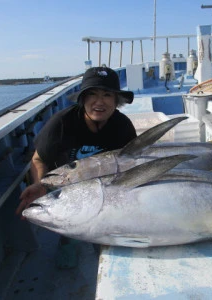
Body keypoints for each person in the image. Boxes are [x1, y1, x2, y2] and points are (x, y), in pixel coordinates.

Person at [16, 66, 137, 268]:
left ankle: (103, 253)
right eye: (92, 95)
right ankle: (67, 251)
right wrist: (41, 185)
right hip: (66, 188)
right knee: (70, 240)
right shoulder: (61, 124)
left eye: (107, 95)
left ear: (117, 101)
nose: (99, 102)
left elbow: (132, 162)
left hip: (104, 187)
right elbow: (38, 159)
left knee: (106, 233)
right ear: (82, 100)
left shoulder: (123, 126)